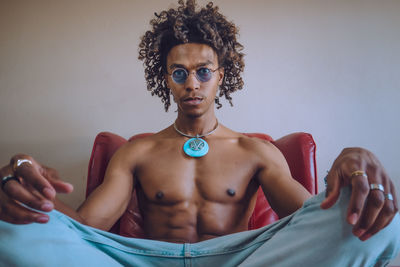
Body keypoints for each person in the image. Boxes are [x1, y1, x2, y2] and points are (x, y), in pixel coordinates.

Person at [0, 0, 399, 266]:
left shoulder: (255, 151)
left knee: (375, 214)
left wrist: (350, 160)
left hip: (242, 260)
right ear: (167, 81)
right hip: (143, 260)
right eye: (179, 73)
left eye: (203, 71)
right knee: (6, 221)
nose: (192, 83)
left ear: (220, 77)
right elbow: (87, 229)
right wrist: (30, 194)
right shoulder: (137, 152)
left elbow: (313, 218)